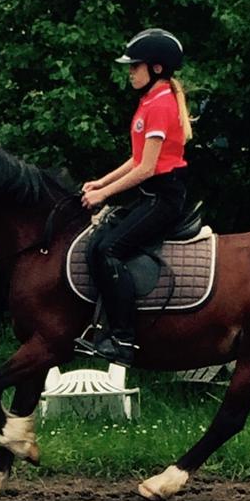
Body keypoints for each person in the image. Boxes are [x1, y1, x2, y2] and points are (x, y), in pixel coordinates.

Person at [81, 28, 192, 363]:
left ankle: (124, 340)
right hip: (149, 195)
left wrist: (104, 196)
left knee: (109, 251)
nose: (130, 72)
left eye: (135, 66)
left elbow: (146, 169)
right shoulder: (150, 101)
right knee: (97, 245)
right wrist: (99, 183)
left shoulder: (160, 105)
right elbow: (136, 159)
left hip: (163, 197)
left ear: (156, 68)